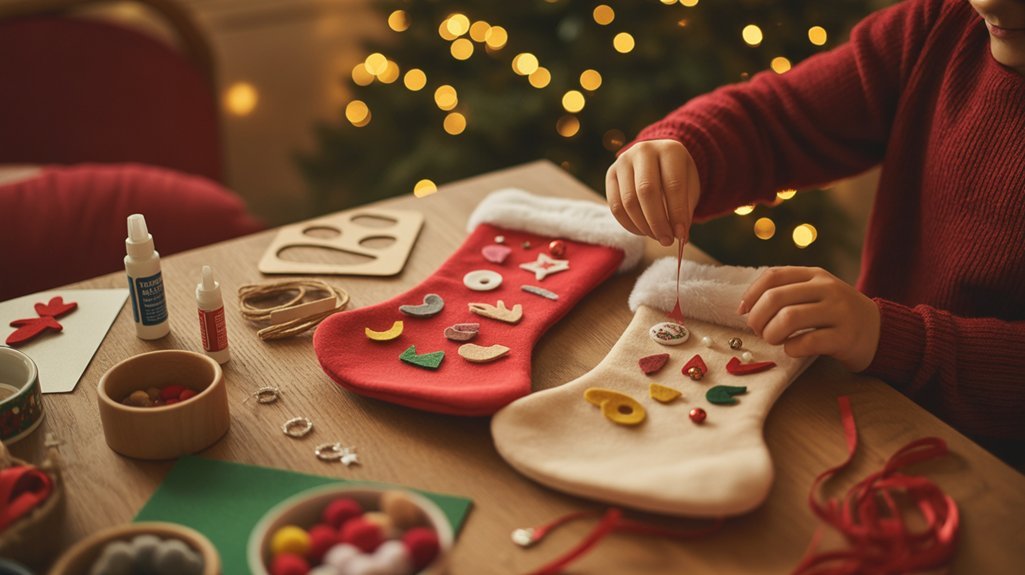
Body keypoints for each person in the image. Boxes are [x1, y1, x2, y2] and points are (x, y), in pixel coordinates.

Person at [606, 0, 1025, 452]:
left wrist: (892, 338)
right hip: (872, 402)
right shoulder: (940, 25)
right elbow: (779, 120)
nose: (988, 2)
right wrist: (687, 147)